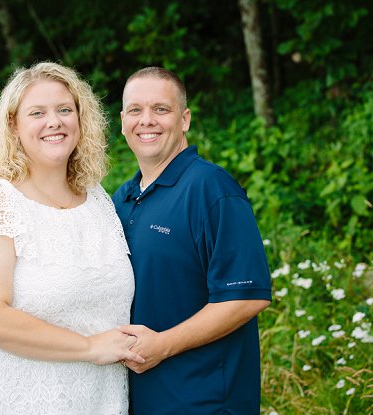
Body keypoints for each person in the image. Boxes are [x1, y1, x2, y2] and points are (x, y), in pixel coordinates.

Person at [0, 62, 142, 414]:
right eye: (37, 113)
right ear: (13, 125)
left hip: (97, 401)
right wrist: (90, 347)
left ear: (80, 118)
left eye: (64, 110)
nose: (54, 122)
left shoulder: (98, 201)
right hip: (11, 400)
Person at [112, 67, 272, 414]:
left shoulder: (211, 190)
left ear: (184, 119)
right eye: (136, 110)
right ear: (123, 121)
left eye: (161, 109)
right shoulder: (120, 200)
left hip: (204, 400)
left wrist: (163, 345)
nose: (147, 120)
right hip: (140, 400)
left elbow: (247, 298)